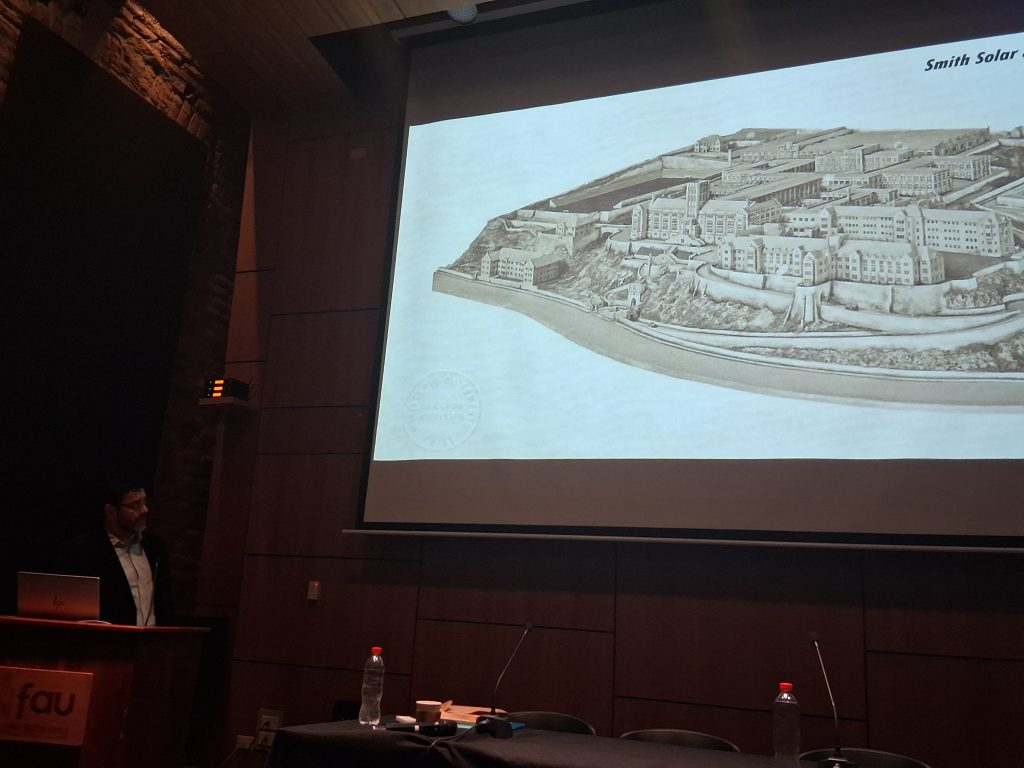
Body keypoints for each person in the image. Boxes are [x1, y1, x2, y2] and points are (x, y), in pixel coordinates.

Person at [54, 477, 173, 626]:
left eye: (144, 502)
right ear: (111, 511)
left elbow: (165, 601)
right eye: (134, 505)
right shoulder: (85, 550)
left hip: (152, 638)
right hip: (107, 638)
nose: (144, 510)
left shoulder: (155, 547)